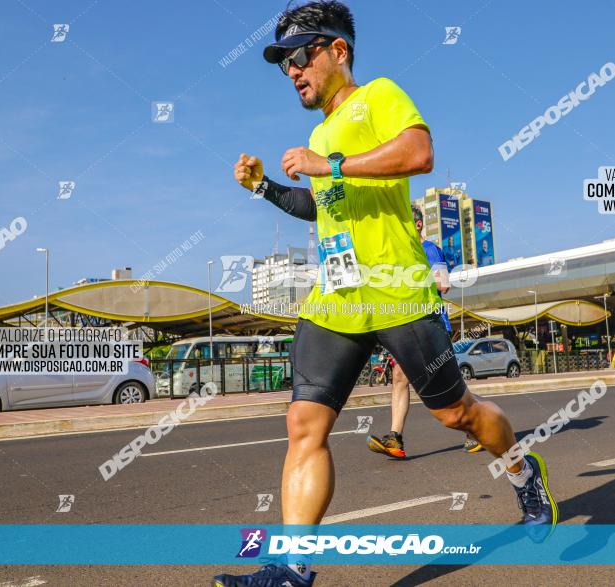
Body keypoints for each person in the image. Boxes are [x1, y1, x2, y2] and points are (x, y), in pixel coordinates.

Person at [216, 3, 556, 585]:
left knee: (458, 416)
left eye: (300, 57)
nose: (292, 71)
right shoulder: (319, 132)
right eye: (283, 65)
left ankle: (524, 474)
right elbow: (319, 205)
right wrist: (265, 187)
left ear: (337, 51)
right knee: (304, 424)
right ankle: (292, 568)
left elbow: (419, 154)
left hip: (398, 291)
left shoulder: (378, 96)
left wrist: (334, 163)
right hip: (337, 300)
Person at [366, 205, 482, 458]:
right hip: (408, 324)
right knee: (399, 376)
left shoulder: (430, 250)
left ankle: (478, 426)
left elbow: (444, 285)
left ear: (417, 224)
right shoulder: (399, 252)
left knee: (450, 382)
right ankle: (395, 438)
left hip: (432, 323)